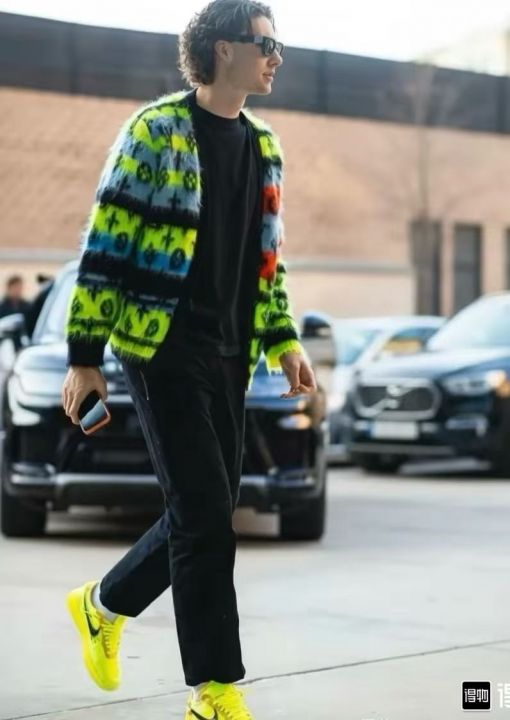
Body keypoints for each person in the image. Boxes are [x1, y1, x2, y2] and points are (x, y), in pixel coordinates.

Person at [61, 1, 316, 718]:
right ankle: (215, 689)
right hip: (160, 346)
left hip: (231, 352)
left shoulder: (264, 146)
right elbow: (105, 246)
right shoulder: (154, 132)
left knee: (204, 508)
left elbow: (267, 262)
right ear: (221, 48)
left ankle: (103, 604)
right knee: (206, 514)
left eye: (279, 45)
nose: (276, 57)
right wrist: (84, 356)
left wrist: (283, 340)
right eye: (265, 43)